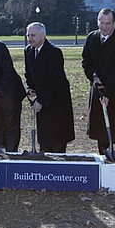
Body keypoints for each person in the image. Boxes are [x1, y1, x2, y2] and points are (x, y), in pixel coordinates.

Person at [81, 8, 115, 155]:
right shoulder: (92, 38)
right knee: (101, 130)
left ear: (114, 23)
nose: (104, 26)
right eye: (101, 23)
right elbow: (86, 62)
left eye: (108, 23)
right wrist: (94, 76)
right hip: (98, 89)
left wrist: (108, 93)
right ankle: (104, 156)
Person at [24, 22, 75, 152]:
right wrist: (30, 87)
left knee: (57, 140)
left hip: (57, 101)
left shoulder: (54, 52)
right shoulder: (28, 51)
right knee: (44, 140)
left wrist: (41, 101)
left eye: (33, 35)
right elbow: (28, 73)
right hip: (42, 100)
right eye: (28, 35)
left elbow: (55, 81)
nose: (30, 38)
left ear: (43, 36)